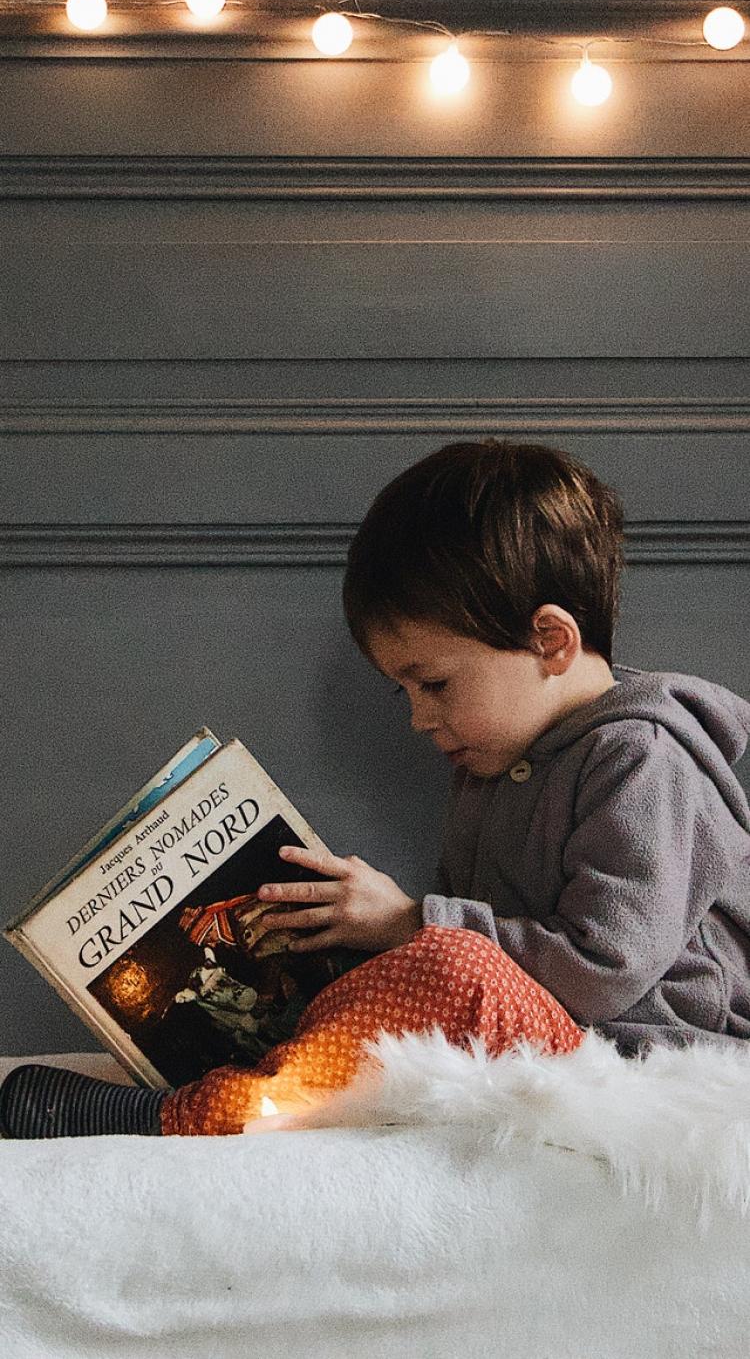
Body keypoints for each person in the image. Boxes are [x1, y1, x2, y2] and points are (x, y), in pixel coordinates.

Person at [3, 436, 749, 1138]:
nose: (422, 719)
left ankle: (186, 1115)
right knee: (392, 965)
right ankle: (237, 1072)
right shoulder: (491, 762)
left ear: (549, 641)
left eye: (435, 683)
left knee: (449, 965)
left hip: (650, 1063)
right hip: (545, 1037)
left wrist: (406, 923)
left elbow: (602, 972)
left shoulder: (644, 757)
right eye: (405, 694)